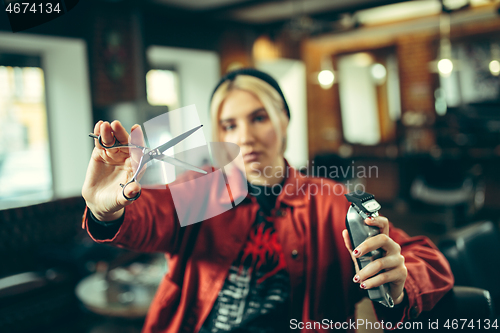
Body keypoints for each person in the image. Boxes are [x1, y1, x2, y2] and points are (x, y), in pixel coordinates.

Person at [81, 68, 454, 333]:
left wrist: (401, 278)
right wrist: (105, 211)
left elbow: (429, 260)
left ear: (284, 120)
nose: (244, 136)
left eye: (258, 117)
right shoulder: (204, 191)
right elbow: (150, 215)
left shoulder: (328, 202)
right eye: (229, 125)